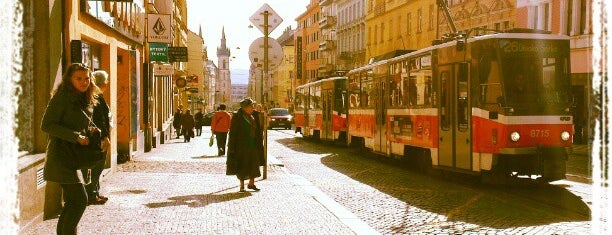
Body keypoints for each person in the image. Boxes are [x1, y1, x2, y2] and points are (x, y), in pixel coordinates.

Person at [41, 63, 100, 234]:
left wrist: (93, 132)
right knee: (79, 200)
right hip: (61, 156)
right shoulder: (62, 97)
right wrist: (75, 136)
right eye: (79, 79)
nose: (84, 82)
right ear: (69, 80)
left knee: (73, 202)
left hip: (74, 157)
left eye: (87, 78)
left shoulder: (85, 97)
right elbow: (46, 125)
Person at [84, 70, 112, 205]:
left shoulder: (96, 96)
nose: (107, 83)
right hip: (98, 138)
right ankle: (91, 194)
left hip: (98, 137)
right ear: (102, 83)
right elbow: (100, 119)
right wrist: (105, 136)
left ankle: (95, 191)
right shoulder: (96, 97)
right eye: (106, 81)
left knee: (97, 166)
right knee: (97, 166)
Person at [226, 98, 263, 192]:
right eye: (251, 106)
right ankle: (242, 186)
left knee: (254, 165)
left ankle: (251, 183)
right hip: (241, 147)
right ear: (245, 108)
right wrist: (232, 147)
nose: (253, 108)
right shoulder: (237, 117)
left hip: (252, 145)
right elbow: (233, 133)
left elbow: (258, 130)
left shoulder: (253, 116)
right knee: (242, 166)